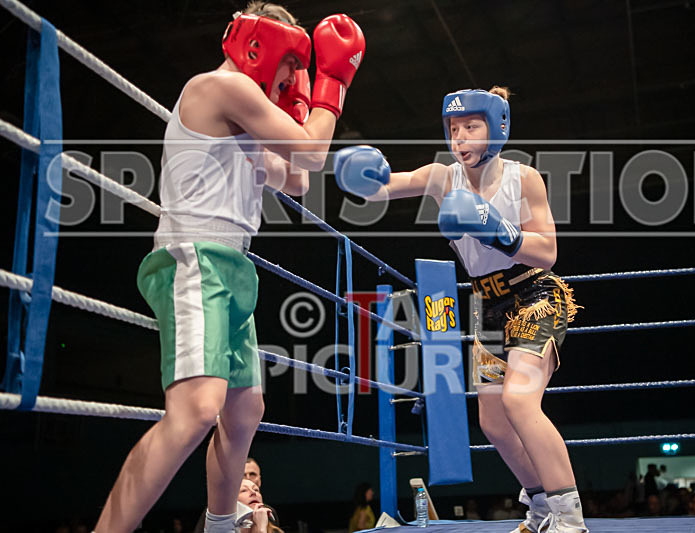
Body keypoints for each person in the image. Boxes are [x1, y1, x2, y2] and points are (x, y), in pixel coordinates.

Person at [93, 3, 365, 532]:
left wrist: (298, 102)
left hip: (230, 267)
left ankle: (221, 527)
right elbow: (310, 155)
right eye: (293, 64)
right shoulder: (221, 88)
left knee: (244, 413)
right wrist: (333, 83)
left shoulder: (246, 116)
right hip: (194, 258)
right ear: (263, 47)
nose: (293, 76)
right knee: (196, 410)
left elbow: (298, 181)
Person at [333, 87, 586, 532]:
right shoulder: (440, 177)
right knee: (495, 424)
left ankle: (570, 518)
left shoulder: (522, 179)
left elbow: (548, 252)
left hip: (534, 297)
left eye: (471, 127)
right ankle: (542, 507)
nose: (461, 138)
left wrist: (499, 231)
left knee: (520, 402)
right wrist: (361, 178)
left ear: (496, 127)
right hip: (486, 307)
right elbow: (384, 190)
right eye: (454, 130)